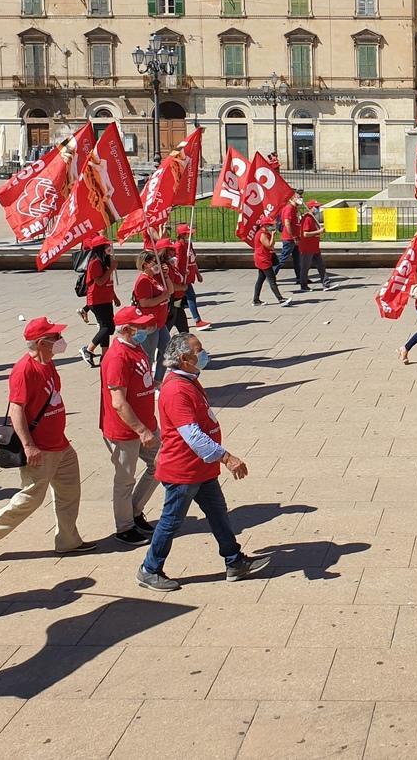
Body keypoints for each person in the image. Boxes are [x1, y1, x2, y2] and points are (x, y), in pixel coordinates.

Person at [136, 334, 268, 591]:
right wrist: (227, 458)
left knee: (218, 513)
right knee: (171, 521)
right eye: (199, 351)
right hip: (183, 471)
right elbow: (193, 436)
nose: (204, 354)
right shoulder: (177, 390)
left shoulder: (188, 379)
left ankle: (234, 560)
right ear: (185, 358)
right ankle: (149, 569)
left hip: (201, 468)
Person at [0, 318, 95, 563]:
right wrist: (29, 446)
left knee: (69, 492)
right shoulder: (24, 370)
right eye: (55, 337)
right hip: (40, 448)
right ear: (41, 342)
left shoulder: (48, 363)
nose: (60, 341)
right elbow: (16, 410)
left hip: (60, 444)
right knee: (31, 497)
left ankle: (68, 541)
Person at [101, 306, 160, 546]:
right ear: (126, 329)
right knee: (125, 479)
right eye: (141, 326)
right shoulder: (117, 357)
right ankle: (124, 527)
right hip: (125, 430)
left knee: (160, 464)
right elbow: (118, 402)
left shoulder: (135, 347)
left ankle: (134, 510)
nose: (146, 328)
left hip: (146, 423)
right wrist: (142, 430)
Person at [132, 249, 174, 382]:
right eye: (154, 262)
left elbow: (170, 290)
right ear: (145, 264)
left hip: (160, 323)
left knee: (168, 352)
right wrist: (163, 297)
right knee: (148, 356)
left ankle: (157, 381)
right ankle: (146, 384)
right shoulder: (143, 281)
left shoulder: (155, 277)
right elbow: (144, 303)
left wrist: (166, 276)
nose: (157, 264)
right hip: (149, 324)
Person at [80, 234, 117, 368]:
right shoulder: (95, 262)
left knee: (105, 327)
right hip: (97, 300)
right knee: (108, 327)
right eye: (106, 246)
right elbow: (100, 282)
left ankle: (104, 356)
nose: (109, 247)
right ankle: (88, 349)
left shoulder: (106, 260)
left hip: (106, 298)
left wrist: (114, 296)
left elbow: (109, 282)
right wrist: (111, 269)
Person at [175, 224, 210, 330]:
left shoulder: (189, 244)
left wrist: (197, 273)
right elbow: (176, 263)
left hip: (189, 276)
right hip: (183, 277)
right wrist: (181, 273)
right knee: (190, 297)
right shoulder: (178, 246)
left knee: (180, 301)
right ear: (182, 235)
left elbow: (193, 260)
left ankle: (174, 319)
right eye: (188, 233)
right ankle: (197, 320)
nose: (191, 235)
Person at [249, 226, 288, 309]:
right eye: (270, 225)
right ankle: (280, 299)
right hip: (263, 260)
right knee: (272, 280)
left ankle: (256, 300)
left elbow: (272, 244)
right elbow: (269, 245)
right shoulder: (262, 234)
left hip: (263, 259)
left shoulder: (265, 233)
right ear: (265, 225)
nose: (272, 226)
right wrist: (273, 235)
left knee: (260, 280)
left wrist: (271, 235)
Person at [297, 199, 329, 290]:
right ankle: (303, 285)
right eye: (316, 207)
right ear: (311, 208)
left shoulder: (313, 218)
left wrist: (319, 232)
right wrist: (319, 231)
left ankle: (326, 283)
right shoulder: (307, 218)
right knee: (305, 267)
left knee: (321, 266)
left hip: (314, 247)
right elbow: (305, 234)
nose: (318, 208)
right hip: (307, 248)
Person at [277, 193, 304, 287]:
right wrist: (294, 237)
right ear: (293, 198)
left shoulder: (295, 208)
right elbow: (287, 224)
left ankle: (300, 278)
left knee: (298, 259)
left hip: (295, 237)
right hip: (289, 238)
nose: (301, 198)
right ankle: (270, 275)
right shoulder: (289, 208)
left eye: (301, 197)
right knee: (283, 259)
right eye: (298, 197)